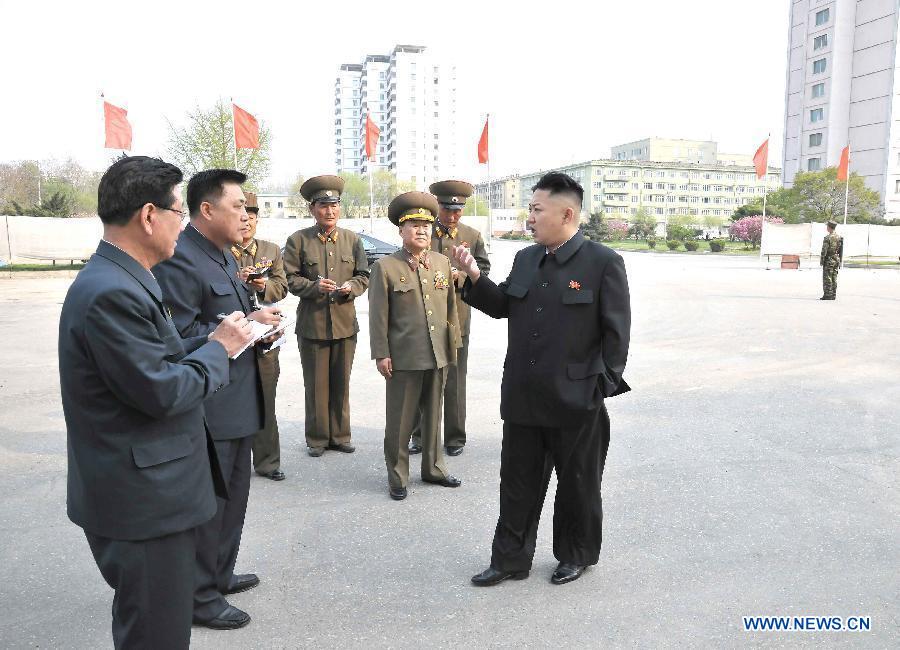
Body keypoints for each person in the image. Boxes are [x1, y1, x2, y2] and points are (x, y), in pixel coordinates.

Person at [59, 156, 255, 648]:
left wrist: (214, 337)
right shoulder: (111, 291)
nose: (182, 225)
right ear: (149, 216)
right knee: (155, 633)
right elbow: (163, 390)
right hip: (143, 503)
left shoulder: (123, 277)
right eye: (177, 212)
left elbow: (153, 358)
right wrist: (219, 350)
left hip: (148, 496)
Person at [452, 172, 631, 586]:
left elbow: (616, 336)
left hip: (576, 401)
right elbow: (503, 307)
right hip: (524, 396)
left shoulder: (602, 262)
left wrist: (596, 388)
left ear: (566, 213)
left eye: (536, 210)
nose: (529, 218)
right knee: (517, 484)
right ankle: (510, 559)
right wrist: (476, 280)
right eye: (529, 209)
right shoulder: (526, 259)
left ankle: (575, 554)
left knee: (578, 486)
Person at [154, 169, 281, 631]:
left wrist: (258, 326)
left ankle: (219, 574)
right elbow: (177, 338)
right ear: (206, 210)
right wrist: (236, 331)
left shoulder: (222, 255)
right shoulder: (182, 259)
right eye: (237, 207)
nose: (246, 215)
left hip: (239, 400)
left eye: (248, 208)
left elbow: (229, 321)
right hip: (211, 406)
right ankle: (199, 596)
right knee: (210, 506)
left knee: (234, 500)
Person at [368, 191, 463, 501]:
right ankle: (398, 475)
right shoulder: (385, 267)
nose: (421, 231)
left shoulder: (441, 262)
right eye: (414, 226)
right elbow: (378, 316)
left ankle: (434, 468)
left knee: (434, 415)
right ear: (401, 231)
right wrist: (381, 353)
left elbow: (450, 308)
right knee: (400, 420)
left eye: (426, 225)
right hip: (404, 357)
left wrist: (453, 345)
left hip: (438, 353)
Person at [282, 175, 370, 457]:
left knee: (340, 382)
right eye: (323, 205)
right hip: (313, 324)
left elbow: (363, 275)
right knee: (316, 384)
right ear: (312, 209)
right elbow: (289, 279)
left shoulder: (352, 240)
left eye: (334, 205)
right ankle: (318, 438)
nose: (329, 211)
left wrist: (351, 288)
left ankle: (341, 435)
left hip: (345, 324)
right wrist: (313, 287)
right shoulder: (298, 240)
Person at [409, 180, 490, 457]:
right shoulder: (424, 232)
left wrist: (463, 276)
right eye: (447, 209)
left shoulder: (472, 235)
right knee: (423, 378)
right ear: (437, 207)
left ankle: (455, 438)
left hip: (457, 317)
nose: (452, 215)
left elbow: (484, 270)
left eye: (458, 210)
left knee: (455, 381)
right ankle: (419, 436)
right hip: (424, 317)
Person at [233, 192, 289, 481]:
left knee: (266, 398)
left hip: (266, 339)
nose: (247, 223)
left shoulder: (270, 249)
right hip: (234, 335)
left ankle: (268, 462)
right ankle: (235, 462)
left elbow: (282, 286)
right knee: (233, 399)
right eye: (242, 217)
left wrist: (264, 285)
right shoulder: (222, 251)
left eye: (252, 217)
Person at [820, 219, 843, 300]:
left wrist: (822, 260)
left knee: (827, 277)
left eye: (827, 226)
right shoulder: (839, 237)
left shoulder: (828, 238)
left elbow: (824, 251)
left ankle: (827, 295)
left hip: (829, 259)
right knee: (834, 277)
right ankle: (833, 294)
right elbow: (841, 250)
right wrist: (839, 260)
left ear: (829, 227)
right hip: (836, 259)